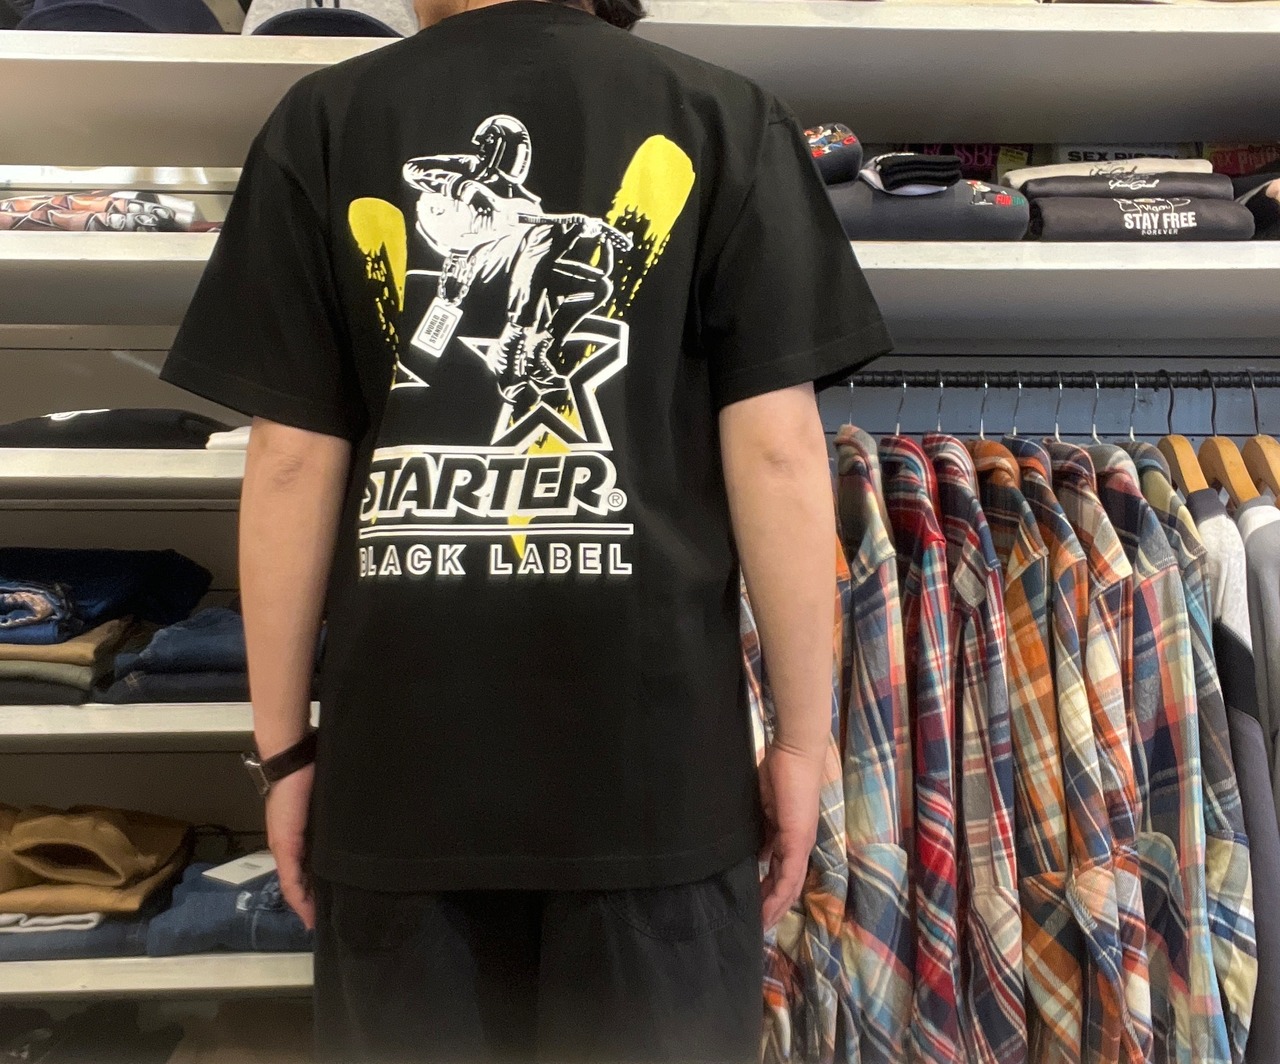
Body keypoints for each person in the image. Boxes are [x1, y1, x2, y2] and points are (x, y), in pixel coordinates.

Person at [161, 0, 891, 1060]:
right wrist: (798, 744)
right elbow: (778, 454)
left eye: (460, 191)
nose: (443, 208)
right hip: (652, 779)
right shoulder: (723, 118)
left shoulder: (325, 122)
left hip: (399, 778)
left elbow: (288, 463)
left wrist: (286, 754)